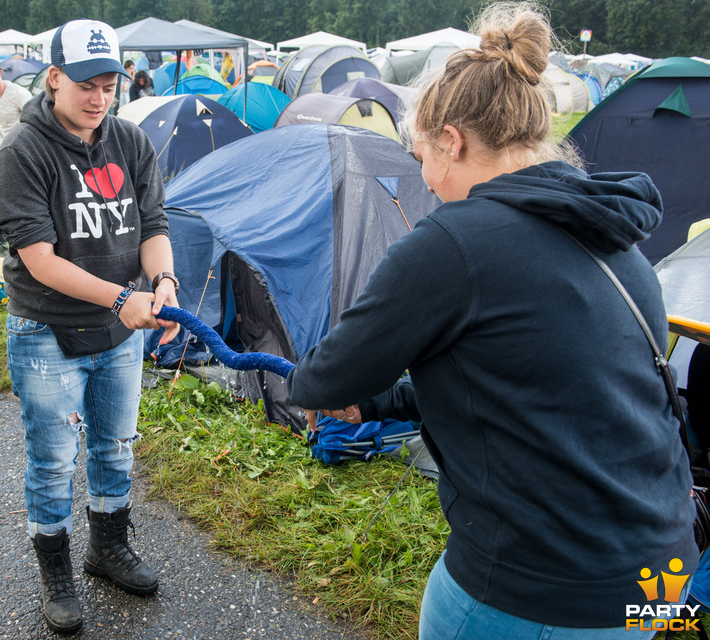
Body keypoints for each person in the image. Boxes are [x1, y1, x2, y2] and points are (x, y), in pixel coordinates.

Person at [286, 3, 698, 638]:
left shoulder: (453, 244)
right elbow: (536, 387)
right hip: (662, 580)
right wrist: (382, 404)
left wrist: (346, 392)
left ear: (452, 141)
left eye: (421, 154)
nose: (423, 177)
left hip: (548, 590)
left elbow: (320, 380)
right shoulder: (613, 229)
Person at [0, 19, 179, 636]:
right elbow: (39, 260)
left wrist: (164, 286)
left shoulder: (128, 141)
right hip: (46, 334)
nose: (99, 98)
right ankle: (56, 572)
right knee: (52, 461)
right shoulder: (23, 151)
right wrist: (123, 297)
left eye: (108, 84)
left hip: (120, 330)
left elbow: (153, 225)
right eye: (85, 86)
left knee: (115, 447)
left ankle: (107, 549)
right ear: (53, 79)